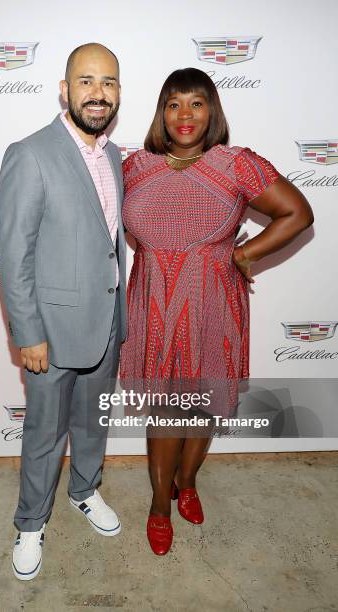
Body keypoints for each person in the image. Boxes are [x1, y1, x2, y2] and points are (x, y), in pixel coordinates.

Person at [120, 68, 313, 555]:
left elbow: (297, 212)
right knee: (166, 409)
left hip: (213, 302)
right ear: (161, 113)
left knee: (202, 405)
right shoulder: (134, 167)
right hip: (154, 302)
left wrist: (244, 255)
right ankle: (160, 506)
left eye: (197, 103)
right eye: (174, 104)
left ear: (213, 111)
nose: (185, 115)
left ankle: (188, 482)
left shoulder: (236, 164)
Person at [0, 42, 127, 580]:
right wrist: (28, 332)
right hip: (49, 333)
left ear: (118, 93)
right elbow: (13, 252)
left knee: (93, 423)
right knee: (45, 434)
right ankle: (30, 523)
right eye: (86, 81)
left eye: (109, 83)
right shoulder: (30, 153)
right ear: (64, 89)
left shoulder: (115, 155)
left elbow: (109, 242)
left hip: (105, 325)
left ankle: (85, 491)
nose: (98, 93)